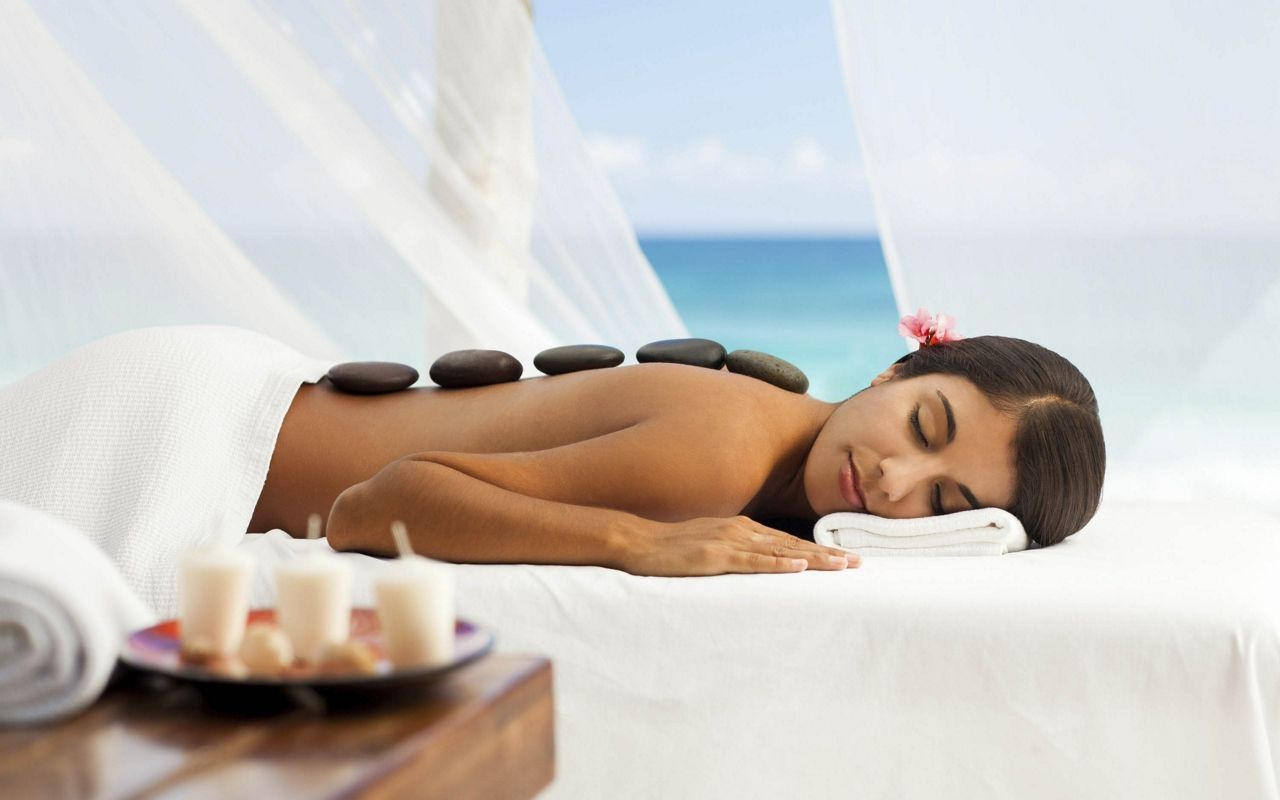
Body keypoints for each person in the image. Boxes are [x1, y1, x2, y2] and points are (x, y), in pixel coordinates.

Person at [251, 328, 1106, 578]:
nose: (895, 481)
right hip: (216, 435)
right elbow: (375, 508)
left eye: (945, 505)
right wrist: (637, 541)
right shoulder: (724, 456)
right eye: (922, 427)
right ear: (896, 370)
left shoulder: (777, 450)